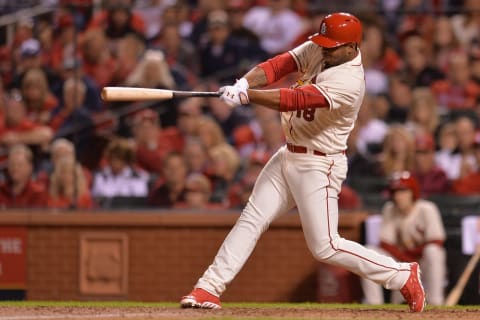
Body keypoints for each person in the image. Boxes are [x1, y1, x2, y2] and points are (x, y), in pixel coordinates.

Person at [180, 12, 426, 313]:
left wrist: (247, 98)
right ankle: (208, 287)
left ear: (351, 47)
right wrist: (243, 82)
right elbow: (280, 65)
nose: (324, 49)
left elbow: (295, 100)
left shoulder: (349, 80)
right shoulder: (325, 48)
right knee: (251, 219)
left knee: (326, 246)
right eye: (324, 43)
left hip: (320, 165)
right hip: (289, 153)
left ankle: (401, 274)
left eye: (332, 46)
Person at [361, 172, 446, 306]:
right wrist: (405, 260)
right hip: (402, 262)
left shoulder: (427, 208)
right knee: (370, 251)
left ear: (413, 192)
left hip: (423, 262)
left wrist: (411, 259)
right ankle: (373, 303)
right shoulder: (390, 209)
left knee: (433, 251)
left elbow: (437, 241)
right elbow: (385, 243)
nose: (398, 196)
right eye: (395, 192)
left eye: (403, 191)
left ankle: (437, 302)